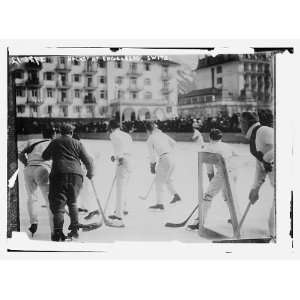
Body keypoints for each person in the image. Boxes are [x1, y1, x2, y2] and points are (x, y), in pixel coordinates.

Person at [42, 123, 94, 241]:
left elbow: (45, 156)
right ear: (71, 132)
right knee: (73, 202)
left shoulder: (55, 142)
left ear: (60, 132)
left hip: (58, 174)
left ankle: (58, 233)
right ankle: (75, 230)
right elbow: (89, 161)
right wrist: (90, 173)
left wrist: (56, 155)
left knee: (59, 206)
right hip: (76, 175)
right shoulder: (78, 143)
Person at [187, 129, 238, 230]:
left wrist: (212, 180)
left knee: (208, 196)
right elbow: (237, 157)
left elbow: (209, 169)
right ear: (221, 138)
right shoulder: (227, 146)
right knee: (227, 195)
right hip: (234, 173)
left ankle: (199, 222)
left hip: (222, 174)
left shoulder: (208, 148)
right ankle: (235, 217)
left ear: (210, 137)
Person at [240, 111, 275, 238]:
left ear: (246, 123)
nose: (239, 127)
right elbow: (260, 167)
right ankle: (275, 236)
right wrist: (255, 189)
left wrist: (267, 159)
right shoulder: (254, 138)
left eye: (240, 123)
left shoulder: (263, 131)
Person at [18, 126, 56, 238]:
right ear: (53, 134)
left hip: (29, 169)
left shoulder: (32, 141)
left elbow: (19, 152)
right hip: (44, 169)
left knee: (32, 198)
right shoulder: (53, 142)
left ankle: (33, 223)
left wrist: (26, 162)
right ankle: (54, 231)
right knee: (50, 201)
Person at [99, 119, 133, 227]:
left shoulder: (113, 134)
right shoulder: (126, 135)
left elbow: (119, 148)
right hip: (130, 160)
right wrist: (117, 156)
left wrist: (119, 157)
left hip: (123, 161)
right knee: (124, 186)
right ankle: (124, 209)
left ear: (111, 127)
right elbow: (126, 148)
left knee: (120, 188)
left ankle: (119, 214)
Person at [145, 122, 182, 211]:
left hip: (165, 158)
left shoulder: (150, 138)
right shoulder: (162, 134)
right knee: (167, 179)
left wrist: (152, 166)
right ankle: (175, 195)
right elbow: (174, 143)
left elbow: (152, 155)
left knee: (159, 181)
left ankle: (160, 203)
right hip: (172, 157)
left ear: (148, 130)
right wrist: (165, 150)